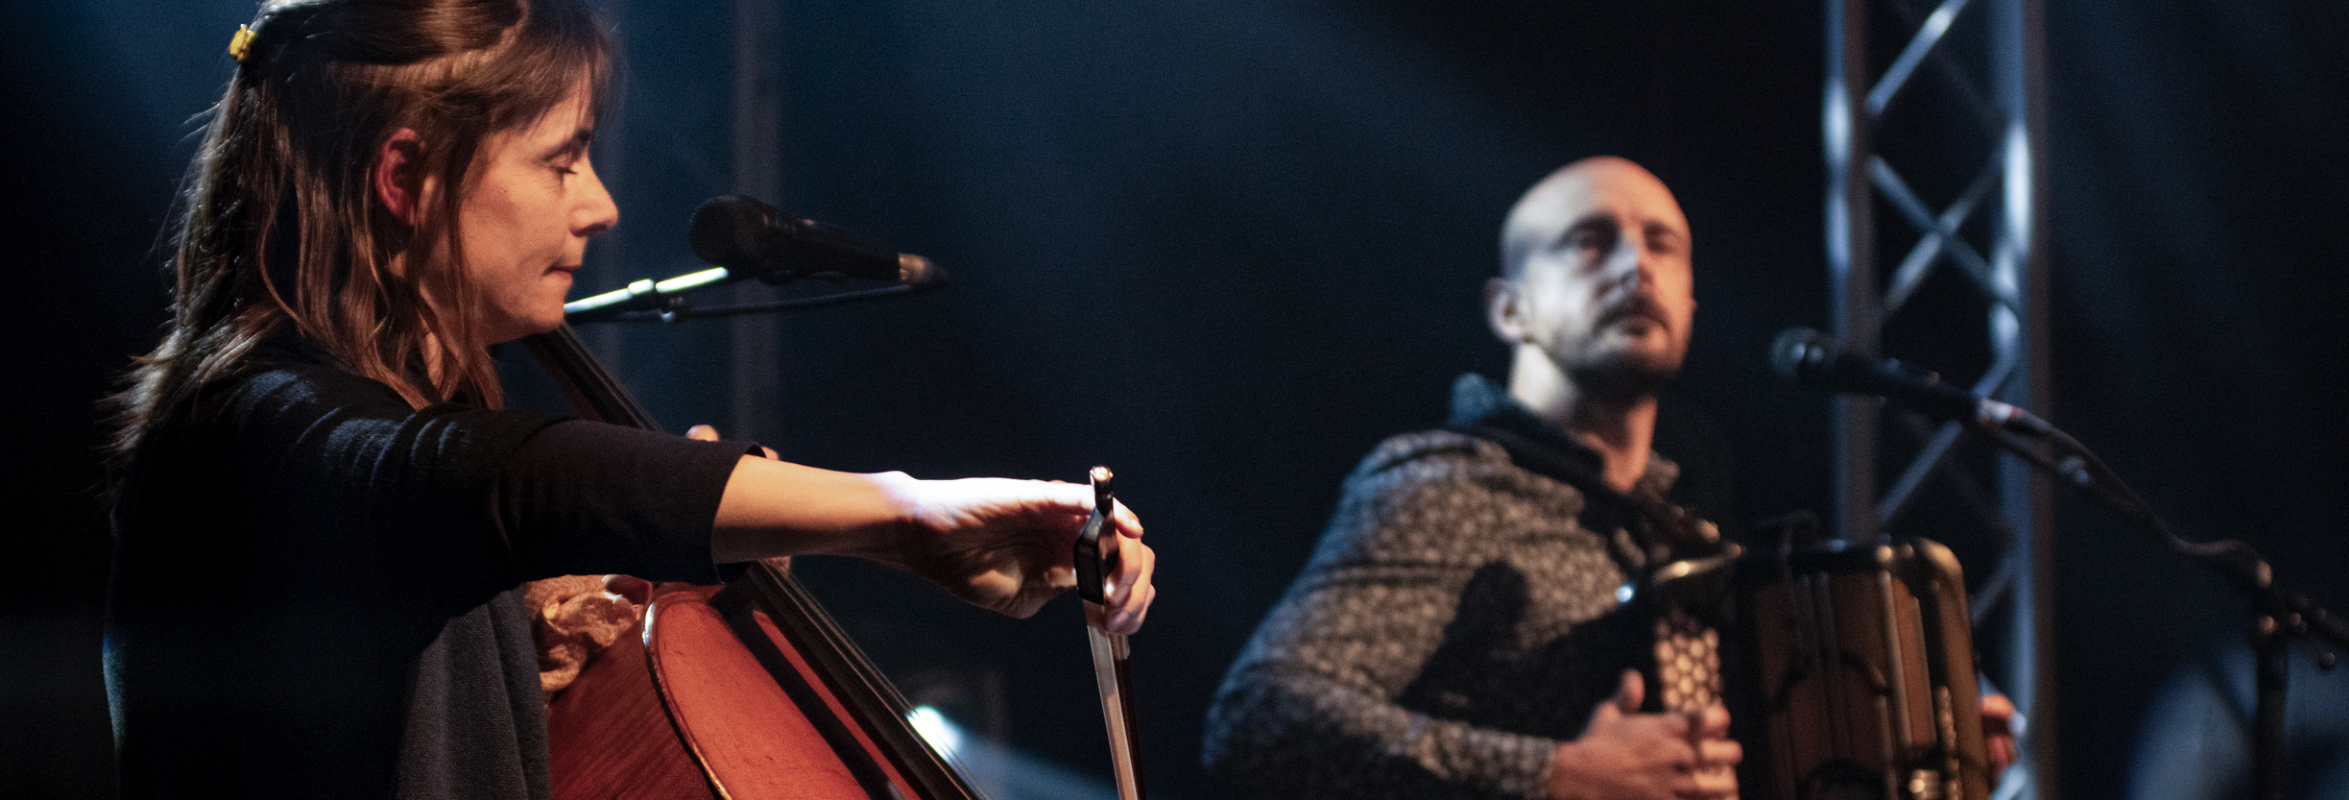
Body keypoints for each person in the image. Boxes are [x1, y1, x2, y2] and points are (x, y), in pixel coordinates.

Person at [100, 2, 1154, 798]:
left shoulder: (371, 444)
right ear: (404, 175)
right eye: (562, 160)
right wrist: (905, 515)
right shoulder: (253, 428)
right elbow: (502, 476)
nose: (600, 205)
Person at [1202, 156, 2012, 800]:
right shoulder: (1447, 487)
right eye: (1591, 240)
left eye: (1662, 244)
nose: (1635, 267)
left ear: (1690, 303)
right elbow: (1261, 719)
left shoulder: (1687, 532)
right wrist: (1552, 778)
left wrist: (1925, 739)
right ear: (1509, 310)